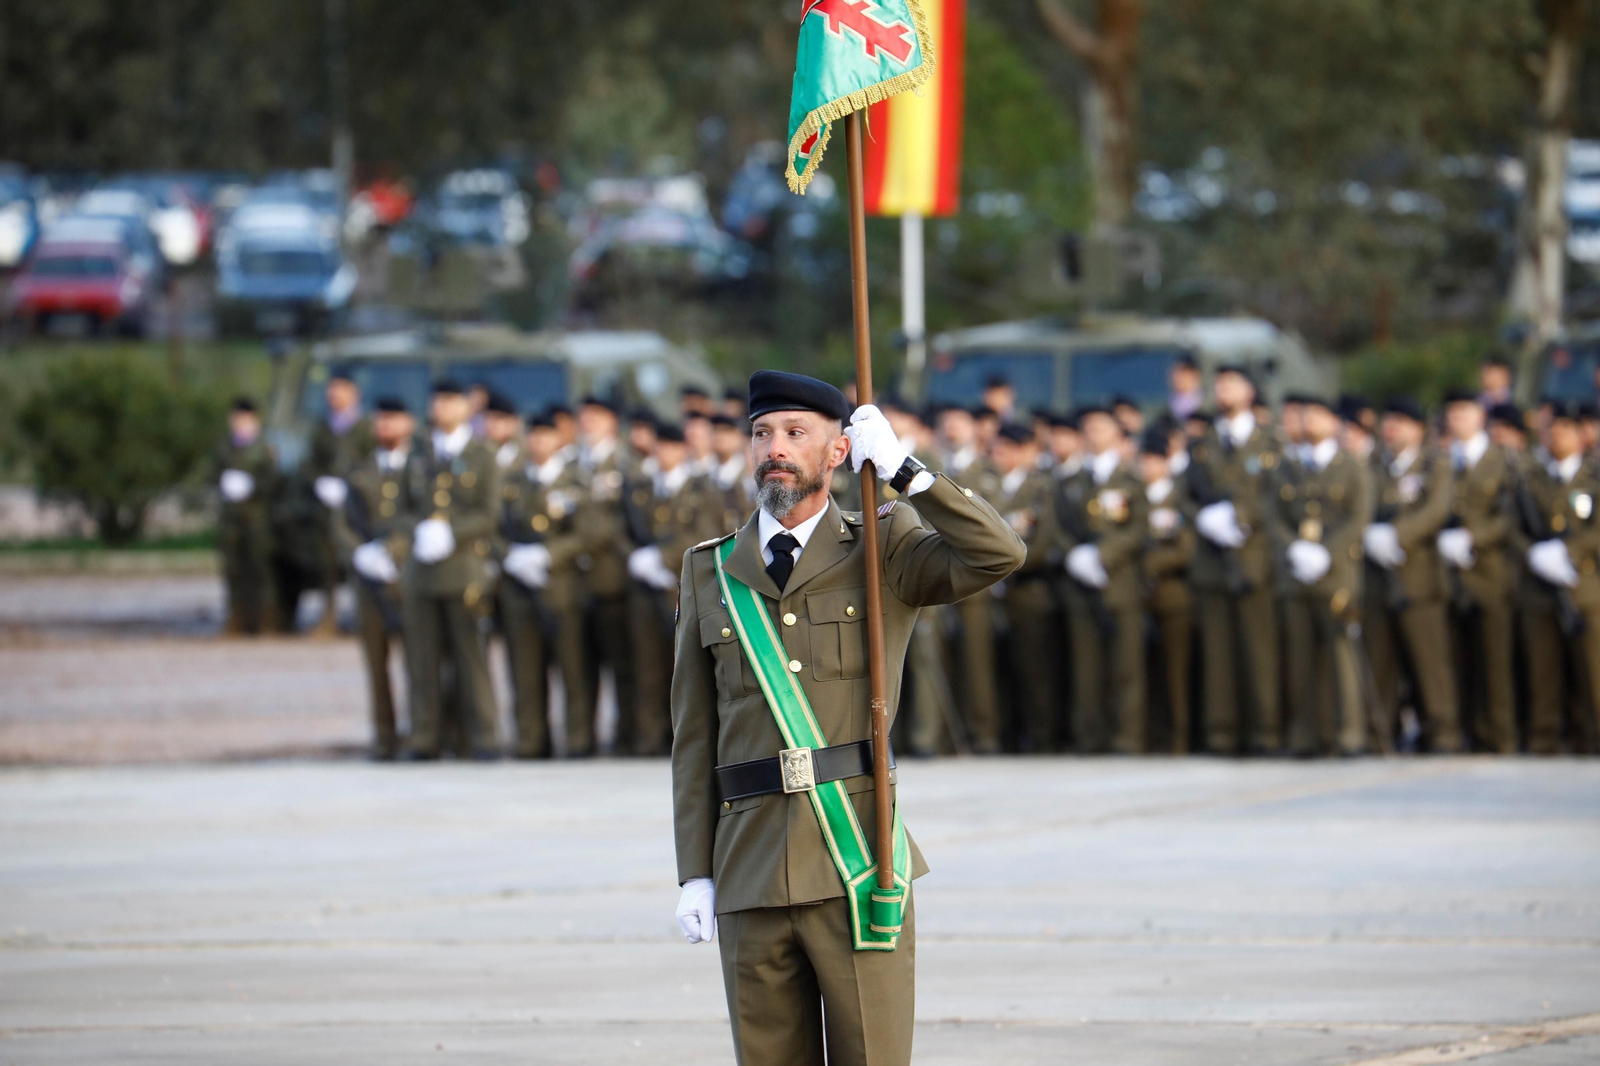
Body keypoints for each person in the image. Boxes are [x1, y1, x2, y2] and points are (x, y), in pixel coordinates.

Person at [670, 371, 1025, 1066]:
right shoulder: (709, 572)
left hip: (858, 860)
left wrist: (906, 473)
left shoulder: (883, 549)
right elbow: (693, 740)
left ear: (838, 454)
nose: (775, 448)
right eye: (763, 434)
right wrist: (694, 871)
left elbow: (998, 553)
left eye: (796, 434)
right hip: (749, 868)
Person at [397, 380, 501, 760]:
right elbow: (403, 508)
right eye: (435, 400)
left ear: (465, 407)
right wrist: (419, 529)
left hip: (463, 568)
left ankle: (482, 737)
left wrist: (450, 532)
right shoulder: (419, 452)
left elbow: (489, 515)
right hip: (422, 571)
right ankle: (425, 737)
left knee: (470, 659)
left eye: (449, 401)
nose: (440, 408)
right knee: (421, 660)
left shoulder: (482, 454)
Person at [1189, 366, 1283, 754]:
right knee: (1218, 654)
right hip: (1212, 560)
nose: (1223, 390)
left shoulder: (1269, 442)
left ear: (1250, 391)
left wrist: (1240, 517)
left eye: (1232, 383)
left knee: (1259, 651)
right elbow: (1184, 493)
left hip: (1254, 557)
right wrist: (1203, 518)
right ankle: (1222, 733)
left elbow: (1278, 494)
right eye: (1219, 383)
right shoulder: (1203, 443)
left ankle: (1266, 732)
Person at [1362, 398, 1463, 753]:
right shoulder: (1374, 465)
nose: (1392, 428)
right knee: (1380, 661)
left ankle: (1443, 732)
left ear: (1419, 429)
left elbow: (1437, 509)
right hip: (1377, 578)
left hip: (1419, 578)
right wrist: (1368, 532)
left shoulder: (1436, 463)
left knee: (1430, 663)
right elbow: (1358, 504)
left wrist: (1397, 534)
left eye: (1402, 421)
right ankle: (1380, 733)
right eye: (1389, 420)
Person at [1277, 396, 1370, 756]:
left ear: (1335, 423)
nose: (1308, 421)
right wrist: (1293, 548)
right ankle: (1306, 734)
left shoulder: (1351, 466)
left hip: (1337, 575)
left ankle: (1349, 733)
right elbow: (1275, 514)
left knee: (1341, 656)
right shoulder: (1287, 466)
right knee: (1300, 659)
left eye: (1317, 415)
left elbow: (1358, 516)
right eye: (1303, 416)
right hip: (1297, 573)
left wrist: (1326, 552)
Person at [625, 424, 725, 756]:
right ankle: (648, 740)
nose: (664, 453)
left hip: (680, 587)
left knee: (684, 668)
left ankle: (687, 741)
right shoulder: (645, 488)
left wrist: (662, 558)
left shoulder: (701, 489)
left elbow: (706, 533)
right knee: (647, 667)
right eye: (660, 446)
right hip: (645, 588)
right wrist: (636, 557)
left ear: (683, 449)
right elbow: (622, 528)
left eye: (671, 446)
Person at [495, 414, 589, 759]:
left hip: (561, 589)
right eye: (533, 436)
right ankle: (530, 741)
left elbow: (583, 534)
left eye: (545, 436)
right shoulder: (513, 481)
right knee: (525, 670)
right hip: (519, 589)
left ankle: (578, 740)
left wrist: (548, 554)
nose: (538, 443)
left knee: (572, 669)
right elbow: (494, 528)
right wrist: (511, 556)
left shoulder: (574, 482)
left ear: (557, 441)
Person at [1057, 405, 1149, 753]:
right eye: (1088, 425)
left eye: (1101, 425)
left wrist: (1103, 555)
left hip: (1120, 583)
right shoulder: (1073, 480)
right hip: (1081, 584)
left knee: (1126, 667)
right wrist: (1074, 554)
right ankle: (1089, 736)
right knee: (1087, 668)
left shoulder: (1130, 479)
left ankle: (1128, 736)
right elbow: (1058, 526)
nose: (1093, 431)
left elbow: (1139, 528)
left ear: (1116, 432)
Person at [1516, 401, 1600, 754]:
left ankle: (1592, 736)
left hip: (1583, 583)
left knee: (1592, 670)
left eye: (1567, 429)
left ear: (1582, 435)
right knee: (1543, 669)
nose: (1559, 436)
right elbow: (1514, 525)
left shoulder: (1593, 478)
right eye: (1554, 429)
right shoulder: (1533, 478)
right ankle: (1545, 737)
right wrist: (1533, 554)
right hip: (1540, 586)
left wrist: (1569, 552)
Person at [1439, 389, 1519, 754]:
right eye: (1452, 413)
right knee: (1458, 659)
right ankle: (1467, 731)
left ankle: (1501, 736)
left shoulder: (1503, 460)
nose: (1458, 420)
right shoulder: (1440, 461)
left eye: (1465, 412)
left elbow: (1510, 514)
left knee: (1496, 661)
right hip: (1448, 575)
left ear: (1480, 416)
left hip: (1489, 572)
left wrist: (1475, 537)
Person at [341, 397, 416, 759]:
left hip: (408, 578)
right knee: (376, 663)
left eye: (394, 419)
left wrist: (395, 551)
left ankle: (422, 732)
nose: (386, 426)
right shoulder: (360, 468)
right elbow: (340, 520)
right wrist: (359, 552)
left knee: (419, 661)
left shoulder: (421, 467)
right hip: (368, 579)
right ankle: (385, 737)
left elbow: (424, 513)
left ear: (409, 424)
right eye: (381, 419)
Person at [936, 405, 1004, 752]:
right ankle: (946, 736)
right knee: (942, 658)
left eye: (958, 423)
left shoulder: (985, 472)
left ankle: (984, 734)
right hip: (938, 570)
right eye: (947, 423)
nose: (951, 429)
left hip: (974, 577)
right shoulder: (932, 466)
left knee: (978, 661)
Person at [574, 395, 638, 756]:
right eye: (584, 417)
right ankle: (582, 737)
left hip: (614, 578)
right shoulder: (573, 465)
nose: (588, 424)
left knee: (623, 664)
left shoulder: (625, 464)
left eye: (596, 417)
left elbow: (619, 522)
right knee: (582, 667)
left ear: (612, 422)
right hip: (578, 578)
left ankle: (627, 735)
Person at [990, 422, 1060, 752]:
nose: (997, 457)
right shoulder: (994, 487)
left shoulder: (1039, 488)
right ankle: (1014, 734)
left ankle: (1042, 735)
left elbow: (1041, 543)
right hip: (999, 592)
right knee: (1008, 669)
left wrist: (1002, 569)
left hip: (1029, 589)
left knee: (1036, 670)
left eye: (1005, 450)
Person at [306, 367, 375, 636]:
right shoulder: (323, 428)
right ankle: (329, 617)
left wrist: (354, 485)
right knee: (328, 564)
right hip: (329, 507)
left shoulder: (366, 428)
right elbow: (311, 463)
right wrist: (320, 482)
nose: (334, 394)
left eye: (340, 388)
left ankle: (365, 616)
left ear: (353, 392)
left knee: (359, 559)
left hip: (359, 506)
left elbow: (373, 462)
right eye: (331, 389)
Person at [1139, 426, 1196, 754]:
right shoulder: (1134, 496)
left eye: (1153, 460)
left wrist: (1149, 563)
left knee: (1176, 673)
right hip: (1142, 598)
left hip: (1173, 596)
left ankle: (1179, 738)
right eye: (1143, 460)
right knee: (1149, 671)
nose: (1146, 467)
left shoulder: (1178, 497)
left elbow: (1185, 549)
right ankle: (1154, 736)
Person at [215, 398, 281, 635]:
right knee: (233, 569)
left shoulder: (264, 447)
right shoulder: (224, 446)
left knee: (261, 571)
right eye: (236, 417)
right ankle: (236, 620)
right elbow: (213, 473)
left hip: (257, 518)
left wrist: (253, 486)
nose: (239, 422)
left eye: (244, 418)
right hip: (231, 518)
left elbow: (272, 479)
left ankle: (267, 622)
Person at [1167, 353, 1203, 423]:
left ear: (1195, 374)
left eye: (1182, 371)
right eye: (1175, 371)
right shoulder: (1167, 412)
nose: (1177, 377)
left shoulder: (1208, 407)